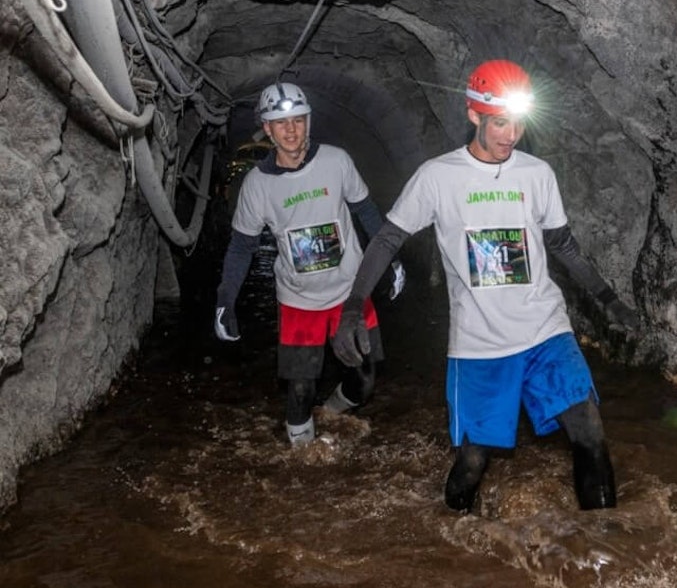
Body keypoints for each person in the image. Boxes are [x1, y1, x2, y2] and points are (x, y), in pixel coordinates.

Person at [332, 60, 640, 511]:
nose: (510, 135)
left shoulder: (537, 174)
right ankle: (453, 537)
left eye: (517, 123)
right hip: (480, 345)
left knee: (590, 434)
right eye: (499, 123)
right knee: (474, 460)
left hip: (545, 329)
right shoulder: (438, 177)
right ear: (474, 116)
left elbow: (565, 247)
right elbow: (387, 239)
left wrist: (610, 301)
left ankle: (605, 551)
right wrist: (354, 307)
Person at [213, 81, 405, 446]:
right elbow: (242, 246)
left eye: (298, 120)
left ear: (309, 122)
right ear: (267, 129)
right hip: (299, 301)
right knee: (300, 390)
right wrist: (226, 298)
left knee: (363, 384)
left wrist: (390, 259)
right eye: (280, 123)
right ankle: (302, 461)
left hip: (351, 292)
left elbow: (365, 210)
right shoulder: (257, 185)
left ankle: (330, 415)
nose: (291, 130)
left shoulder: (337, 161)